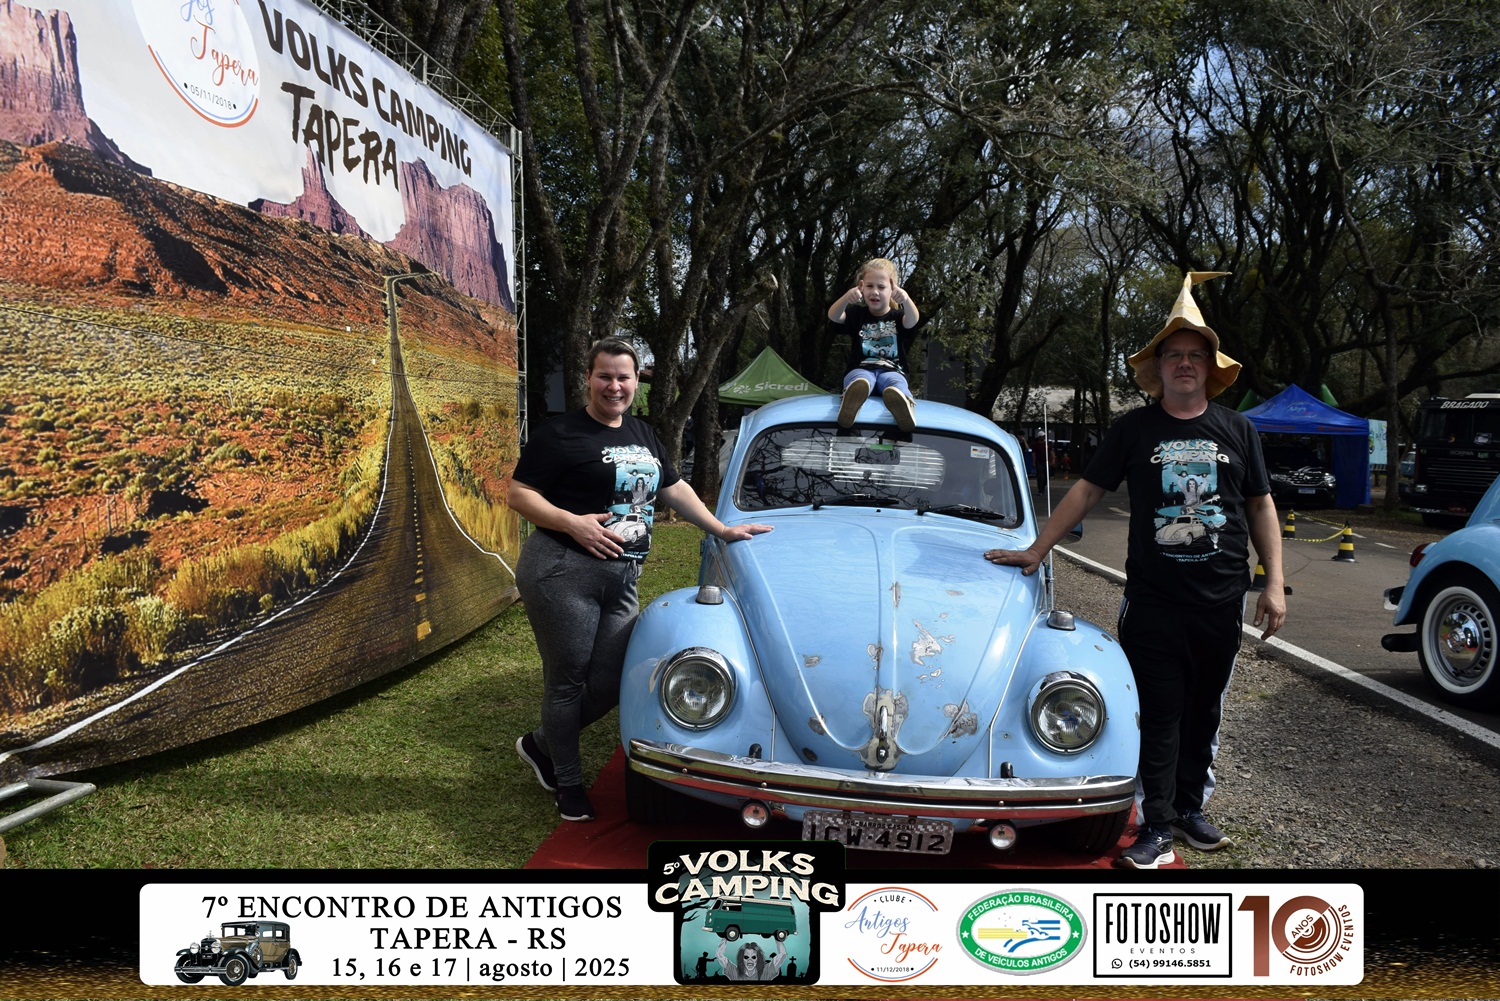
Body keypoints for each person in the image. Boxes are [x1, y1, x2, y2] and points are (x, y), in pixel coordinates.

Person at [984, 271, 1286, 870]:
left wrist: (1273, 582)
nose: (1184, 363)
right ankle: (1158, 825)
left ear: (1210, 367)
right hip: (1153, 600)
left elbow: (1260, 506)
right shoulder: (1134, 429)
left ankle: (1192, 809)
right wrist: (1037, 549)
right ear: (1160, 367)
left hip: (1221, 600)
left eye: (1195, 355)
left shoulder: (1238, 429)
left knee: (1205, 711)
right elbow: (1087, 492)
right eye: (1174, 354)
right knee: (1161, 710)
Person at [508, 337, 773, 822]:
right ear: (588, 378)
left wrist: (721, 529)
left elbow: (673, 487)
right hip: (562, 570)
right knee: (567, 682)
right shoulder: (560, 433)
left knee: (613, 681)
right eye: (604, 376)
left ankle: (541, 744)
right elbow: (520, 494)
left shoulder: (642, 432)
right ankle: (567, 782)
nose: (614, 386)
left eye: (623, 377)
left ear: (635, 382)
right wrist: (572, 522)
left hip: (623, 575)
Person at [827, 258, 921, 430]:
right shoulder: (857, 314)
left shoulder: (897, 316)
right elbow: (833, 315)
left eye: (881, 287)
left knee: (895, 384)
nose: (875, 292)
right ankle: (851, 404)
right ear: (861, 288)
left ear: (892, 289)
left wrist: (906, 299)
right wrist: (847, 298)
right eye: (869, 286)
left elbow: (913, 320)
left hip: (892, 369)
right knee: (860, 380)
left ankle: (904, 406)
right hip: (861, 368)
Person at [716, 937, 787, 981]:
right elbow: (719, 954)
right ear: (741, 959)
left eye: (753, 957)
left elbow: (783, 954)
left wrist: (777, 936)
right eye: (746, 957)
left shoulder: (765, 972)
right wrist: (725, 936)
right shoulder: (734, 973)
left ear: (758, 959)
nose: (750, 960)